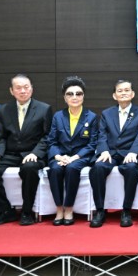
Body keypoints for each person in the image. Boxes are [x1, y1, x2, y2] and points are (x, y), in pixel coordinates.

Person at [0, 74, 53, 226]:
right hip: (10, 153)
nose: (23, 91)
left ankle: (27, 212)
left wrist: (35, 153)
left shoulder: (44, 108)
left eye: (26, 87)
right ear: (11, 91)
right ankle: (4, 211)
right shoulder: (4, 110)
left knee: (29, 168)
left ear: (31, 89)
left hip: (32, 153)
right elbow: (1, 137)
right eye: (18, 88)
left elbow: (47, 136)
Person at [89, 80, 138, 228]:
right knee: (97, 168)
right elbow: (102, 134)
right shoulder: (107, 113)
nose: (123, 93)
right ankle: (100, 210)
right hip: (109, 153)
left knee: (131, 169)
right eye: (120, 91)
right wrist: (104, 150)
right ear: (114, 95)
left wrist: (134, 152)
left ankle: (126, 211)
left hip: (130, 153)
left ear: (132, 94)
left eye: (127, 90)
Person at [46, 76, 98, 226]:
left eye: (78, 93)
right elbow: (52, 141)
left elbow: (92, 144)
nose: (74, 97)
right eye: (70, 94)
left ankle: (68, 207)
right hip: (60, 155)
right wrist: (58, 156)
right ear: (64, 98)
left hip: (80, 157)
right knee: (55, 169)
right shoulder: (58, 116)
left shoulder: (92, 117)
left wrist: (74, 157)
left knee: (72, 169)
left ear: (83, 96)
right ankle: (59, 208)